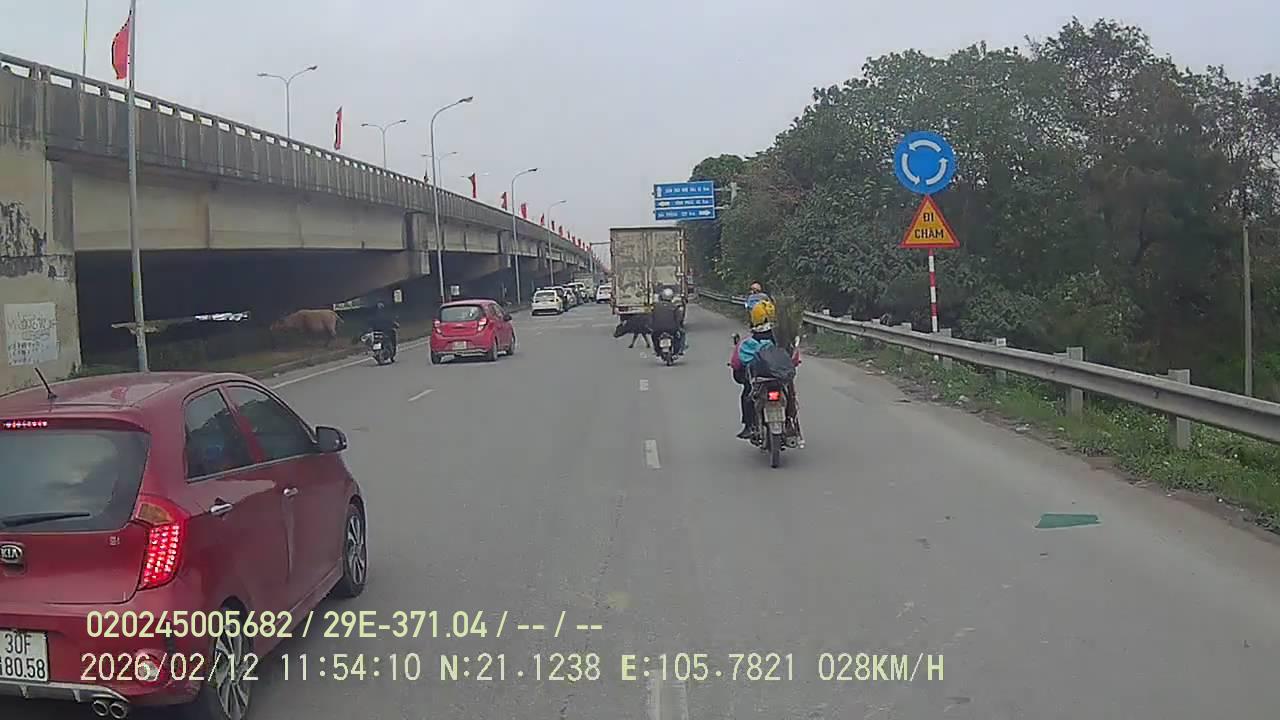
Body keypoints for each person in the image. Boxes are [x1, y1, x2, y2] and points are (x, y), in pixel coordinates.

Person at [729, 298, 800, 439]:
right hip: (779, 380)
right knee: (790, 394)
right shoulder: (783, 341)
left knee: (747, 394)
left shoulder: (748, 344)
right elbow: (794, 359)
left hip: (760, 381)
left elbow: (737, 364)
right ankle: (790, 422)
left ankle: (749, 426)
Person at [650, 286, 686, 355]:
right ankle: (680, 350)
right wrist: (678, 326)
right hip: (671, 329)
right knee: (681, 335)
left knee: (654, 336)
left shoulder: (656, 306)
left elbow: (651, 317)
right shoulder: (674, 307)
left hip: (657, 329)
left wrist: (652, 326)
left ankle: (656, 351)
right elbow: (679, 318)